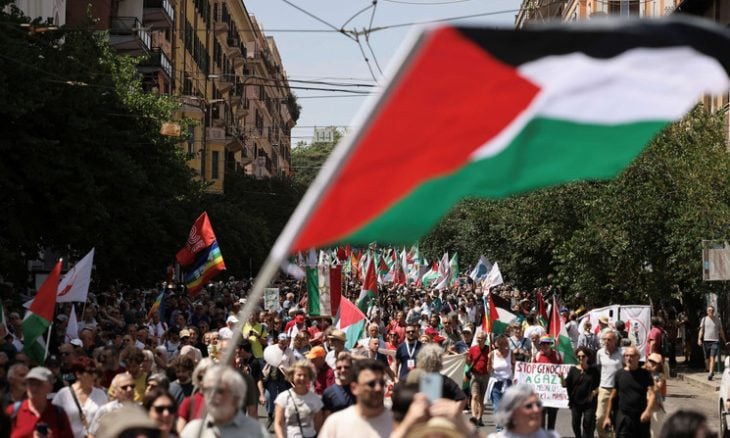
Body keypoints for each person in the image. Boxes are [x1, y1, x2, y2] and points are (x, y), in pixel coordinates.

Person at [181, 365, 268, 437]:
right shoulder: (193, 430)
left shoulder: (256, 432)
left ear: (236, 397)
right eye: (208, 390)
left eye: (220, 391)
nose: (212, 396)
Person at [318, 359, 394, 438]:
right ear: (354, 388)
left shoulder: (396, 422)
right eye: (371, 384)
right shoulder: (335, 424)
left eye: (381, 383)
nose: (378, 388)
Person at [602, 346, 655, 438]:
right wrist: (607, 417)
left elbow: (652, 394)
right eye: (626, 355)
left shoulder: (645, 374)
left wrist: (648, 411)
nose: (628, 358)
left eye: (631, 356)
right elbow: (612, 397)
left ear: (638, 357)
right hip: (624, 417)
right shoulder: (619, 374)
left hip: (641, 417)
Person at [6, 366, 73, 438]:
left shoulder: (58, 414)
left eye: (39, 384)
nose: (34, 388)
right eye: (31, 383)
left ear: (50, 387)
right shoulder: (13, 412)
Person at [52, 357, 109, 438]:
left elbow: (107, 421)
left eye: (95, 373)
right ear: (78, 374)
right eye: (90, 373)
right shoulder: (63, 394)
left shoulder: (100, 394)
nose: (94, 376)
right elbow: (53, 420)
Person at [274, 360, 324, 438]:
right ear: (292, 376)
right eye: (299, 375)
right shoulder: (283, 397)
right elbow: (278, 423)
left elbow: (318, 427)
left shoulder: (316, 399)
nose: (302, 378)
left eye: (305, 375)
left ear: (310, 377)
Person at [488, 383, 559, 438]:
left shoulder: (552, 436)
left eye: (538, 404)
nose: (536, 410)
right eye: (529, 406)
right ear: (512, 413)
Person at [560, 346, 599, 438]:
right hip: (576, 402)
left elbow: (599, 385)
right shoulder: (573, 370)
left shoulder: (594, 370)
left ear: (587, 357)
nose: (581, 358)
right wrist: (561, 377)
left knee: (588, 423)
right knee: (575, 424)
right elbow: (565, 384)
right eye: (579, 356)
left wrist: (594, 393)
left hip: (589, 402)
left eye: (583, 356)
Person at [88, 372, 137, 437]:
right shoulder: (106, 410)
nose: (130, 389)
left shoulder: (142, 409)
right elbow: (92, 434)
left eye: (132, 386)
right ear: (115, 392)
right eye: (124, 387)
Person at [596, 329, 623, 438]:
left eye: (609, 339)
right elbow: (599, 368)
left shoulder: (622, 353)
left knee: (617, 417)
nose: (606, 341)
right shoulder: (600, 353)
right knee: (600, 417)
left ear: (615, 341)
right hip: (604, 388)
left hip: (619, 390)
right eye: (605, 339)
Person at [533, 335, 562, 430]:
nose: (545, 346)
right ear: (540, 345)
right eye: (543, 344)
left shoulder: (557, 355)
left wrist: (560, 374)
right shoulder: (537, 356)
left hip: (553, 393)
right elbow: (531, 373)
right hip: (541, 393)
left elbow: (562, 369)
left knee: (552, 419)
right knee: (540, 420)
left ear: (550, 344)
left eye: (547, 343)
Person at [322, 352, 355, 418]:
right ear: (335, 370)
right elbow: (327, 418)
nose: (343, 370)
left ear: (352, 369)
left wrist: (352, 356)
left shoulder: (360, 388)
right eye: (339, 368)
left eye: (346, 367)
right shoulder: (328, 393)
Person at [466, 331, 489, 427]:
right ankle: (474, 417)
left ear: (485, 339)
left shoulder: (489, 349)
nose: (478, 340)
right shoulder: (472, 349)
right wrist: (467, 359)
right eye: (477, 338)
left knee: (481, 399)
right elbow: (468, 363)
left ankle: (480, 418)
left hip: (485, 376)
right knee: (475, 396)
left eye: (480, 338)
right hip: (475, 375)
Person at [698, 305, 726, 380]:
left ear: (714, 311)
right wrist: (699, 339)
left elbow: (721, 331)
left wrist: (724, 340)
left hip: (715, 341)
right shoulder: (704, 319)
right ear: (707, 312)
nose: (711, 312)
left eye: (712, 310)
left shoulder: (718, 320)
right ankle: (710, 369)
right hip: (706, 341)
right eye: (709, 310)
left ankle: (710, 373)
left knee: (712, 357)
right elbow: (701, 330)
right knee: (707, 358)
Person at [645, 353, 667, 438]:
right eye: (650, 361)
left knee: (655, 431)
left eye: (654, 362)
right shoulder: (643, 373)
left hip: (656, 406)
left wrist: (651, 376)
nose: (652, 363)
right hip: (644, 404)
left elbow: (657, 388)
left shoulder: (661, 376)